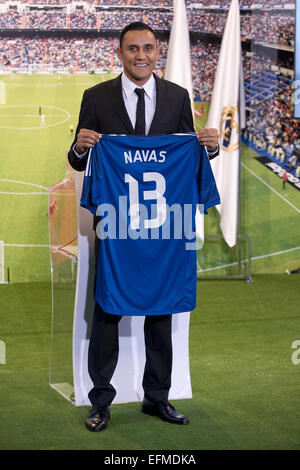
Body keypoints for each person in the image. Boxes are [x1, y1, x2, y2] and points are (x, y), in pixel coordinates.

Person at [68, 22, 220, 433]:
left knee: (161, 309)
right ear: (120, 52)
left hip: (162, 225)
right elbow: (79, 160)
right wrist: (79, 148)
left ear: (158, 52)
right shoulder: (95, 97)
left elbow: (187, 155)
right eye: (132, 48)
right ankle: (100, 401)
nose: (141, 55)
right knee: (107, 310)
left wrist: (211, 146)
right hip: (115, 225)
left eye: (148, 48)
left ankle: (158, 398)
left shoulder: (177, 97)